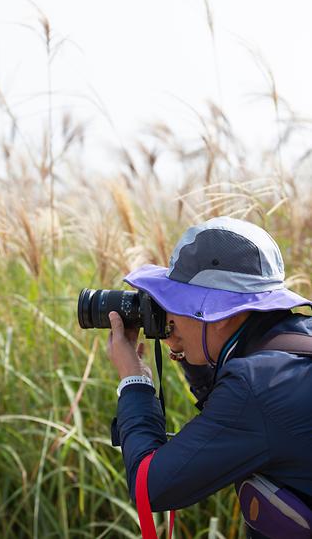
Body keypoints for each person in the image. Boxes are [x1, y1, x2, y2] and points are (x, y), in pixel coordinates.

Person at [107, 216, 312, 539]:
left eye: (178, 304)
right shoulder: (295, 344)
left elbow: (151, 487)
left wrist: (134, 381)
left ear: (221, 313)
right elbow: (241, 414)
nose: (167, 315)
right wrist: (192, 356)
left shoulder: (254, 385)